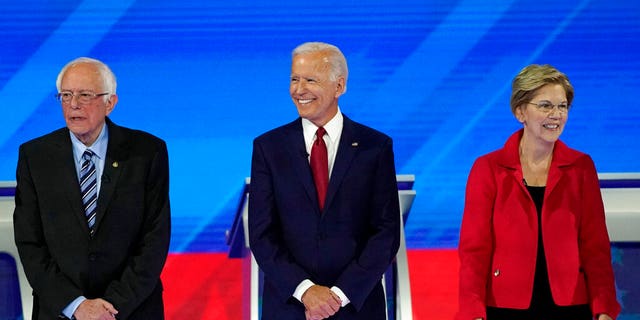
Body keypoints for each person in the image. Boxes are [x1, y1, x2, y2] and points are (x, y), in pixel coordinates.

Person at [248, 41, 401, 320]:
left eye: (310, 80)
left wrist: (338, 295)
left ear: (339, 86)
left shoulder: (374, 147)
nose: (299, 89)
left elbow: (386, 232)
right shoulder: (268, 148)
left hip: (356, 305)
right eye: (294, 79)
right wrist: (306, 291)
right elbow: (261, 234)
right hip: (291, 307)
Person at [457, 64, 621, 320]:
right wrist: (472, 311)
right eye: (545, 105)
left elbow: (595, 247)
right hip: (504, 307)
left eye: (562, 106)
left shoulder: (581, 167)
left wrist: (604, 308)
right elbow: (474, 251)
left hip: (570, 306)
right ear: (520, 111)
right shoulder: (488, 168)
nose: (556, 114)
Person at [13, 57, 171, 320]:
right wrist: (77, 306)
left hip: (132, 310)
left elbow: (154, 239)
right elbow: (30, 243)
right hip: (61, 312)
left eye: (85, 95)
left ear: (110, 103)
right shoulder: (35, 156)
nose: (74, 104)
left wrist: (110, 307)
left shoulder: (147, 152)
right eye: (66, 95)